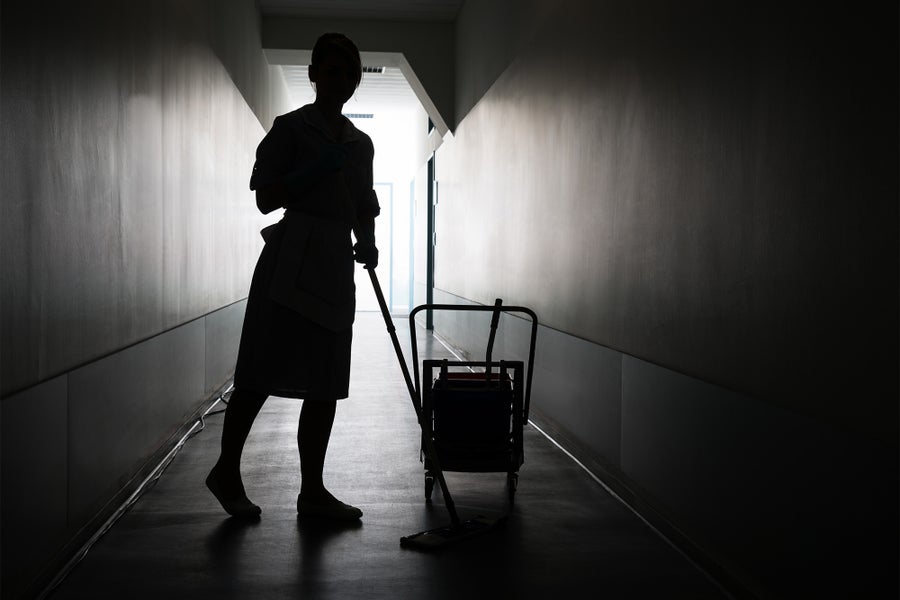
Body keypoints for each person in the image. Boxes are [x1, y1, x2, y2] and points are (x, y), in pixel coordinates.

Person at [206, 32, 379, 521]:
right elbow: (265, 197)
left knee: (325, 381)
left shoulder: (360, 144)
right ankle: (226, 470)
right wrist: (311, 173)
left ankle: (312, 492)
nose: (340, 81)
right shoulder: (290, 128)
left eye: (350, 73)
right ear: (313, 74)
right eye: (331, 71)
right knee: (261, 370)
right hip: (290, 261)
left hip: (332, 265)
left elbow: (363, 205)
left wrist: (367, 242)